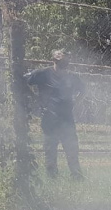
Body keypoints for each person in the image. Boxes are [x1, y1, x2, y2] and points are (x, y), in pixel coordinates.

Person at [25, 50, 85, 178]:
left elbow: (83, 90)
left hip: (67, 118)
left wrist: (75, 102)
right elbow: (24, 81)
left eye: (66, 60)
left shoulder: (72, 77)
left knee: (72, 148)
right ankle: (52, 177)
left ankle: (76, 175)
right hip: (49, 117)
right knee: (50, 149)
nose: (64, 62)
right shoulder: (43, 74)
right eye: (61, 59)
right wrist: (35, 98)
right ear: (54, 60)